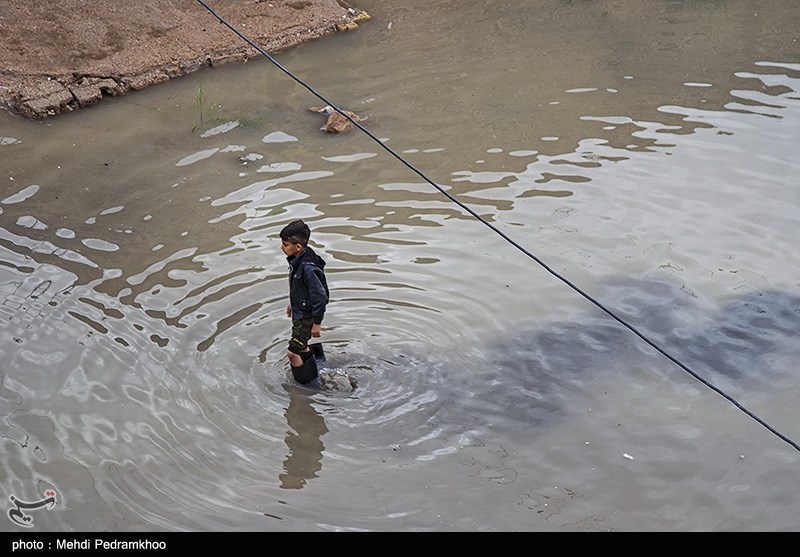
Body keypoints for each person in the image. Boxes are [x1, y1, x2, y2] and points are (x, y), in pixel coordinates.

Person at [280, 219, 329, 384]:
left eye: (285, 245)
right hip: (302, 311)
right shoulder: (301, 258)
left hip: (306, 317)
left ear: (298, 247)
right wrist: (293, 303)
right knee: (301, 346)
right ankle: (316, 368)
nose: (282, 248)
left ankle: (307, 386)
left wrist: (317, 323)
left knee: (293, 353)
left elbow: (320, 297)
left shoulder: (307, 268)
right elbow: (302, 289)